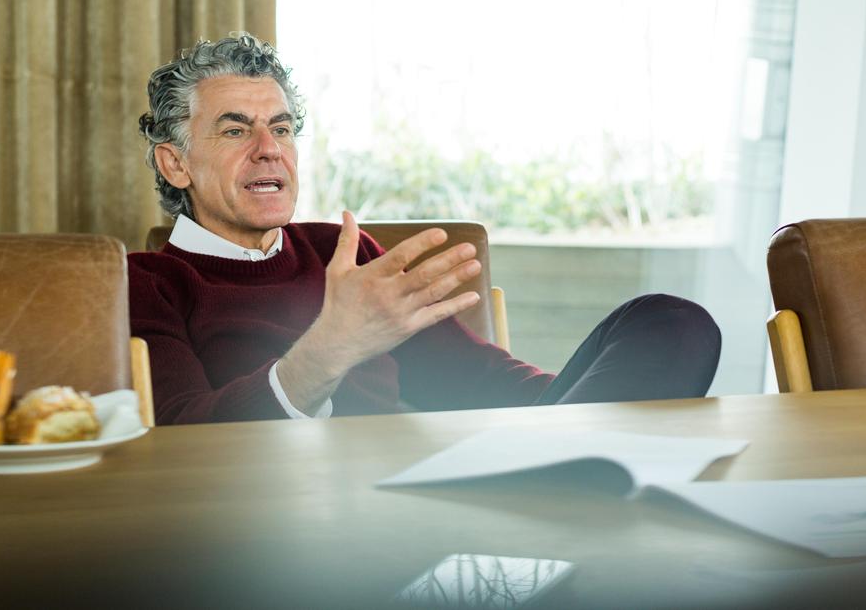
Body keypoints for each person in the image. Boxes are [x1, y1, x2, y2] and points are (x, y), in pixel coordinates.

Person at [129, 33, 721, 425]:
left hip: (421, 486)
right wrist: (331, 348)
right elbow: (185, 434)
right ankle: (586, 474)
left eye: (281, 130)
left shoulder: (345, 251)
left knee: (672, 322)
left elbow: (473, 379)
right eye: (235, 131)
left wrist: (584, 402)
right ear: (174, 162)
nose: (268, 151)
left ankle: (581, 461)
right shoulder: (143, 282)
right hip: (283, 516)